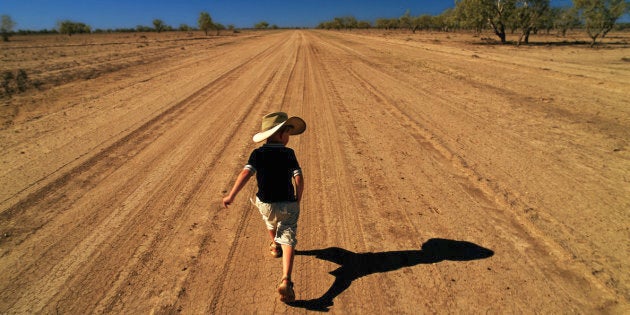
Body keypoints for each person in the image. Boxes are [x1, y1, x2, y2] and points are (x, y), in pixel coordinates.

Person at [222, 111, 306, 303]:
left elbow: (245, 173)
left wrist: (231, 195)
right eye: (288, 134)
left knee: (270, 221)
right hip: (287, 203)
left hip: (265, 203)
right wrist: (297, 199)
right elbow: (299, 178)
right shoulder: (288, 153)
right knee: (289, 235)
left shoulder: (257, 153)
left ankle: (275, 245)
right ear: (281, 134)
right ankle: (286, 278)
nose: (289, 138)